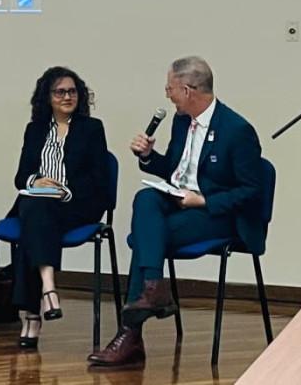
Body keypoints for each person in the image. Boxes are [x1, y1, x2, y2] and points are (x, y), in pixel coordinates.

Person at [88, 56, 264, 366]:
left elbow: (252, 191)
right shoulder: (181, 121)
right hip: (180, 202)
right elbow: (174, 170)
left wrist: (205, 201)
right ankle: (154, 288)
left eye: (169, 89)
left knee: (148, 237)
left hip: (218, 216)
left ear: (187, 89)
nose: (167, 96)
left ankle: (130, 336)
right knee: (145, 199)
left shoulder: (237, 130)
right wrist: (147, 157)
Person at [9, 66, 110, 349]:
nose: (67, 97)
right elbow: (21, 176)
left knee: (34, 217)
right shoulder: (35, 130)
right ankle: (48, 288)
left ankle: (32, 315)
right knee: (35, 206)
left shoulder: (92, 129)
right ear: (47, 97)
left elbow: (98, 180)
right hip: (40, 204)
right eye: (60, 92)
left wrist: (63, 191)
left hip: (77, 204)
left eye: (72, 91)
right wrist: (36, 181)